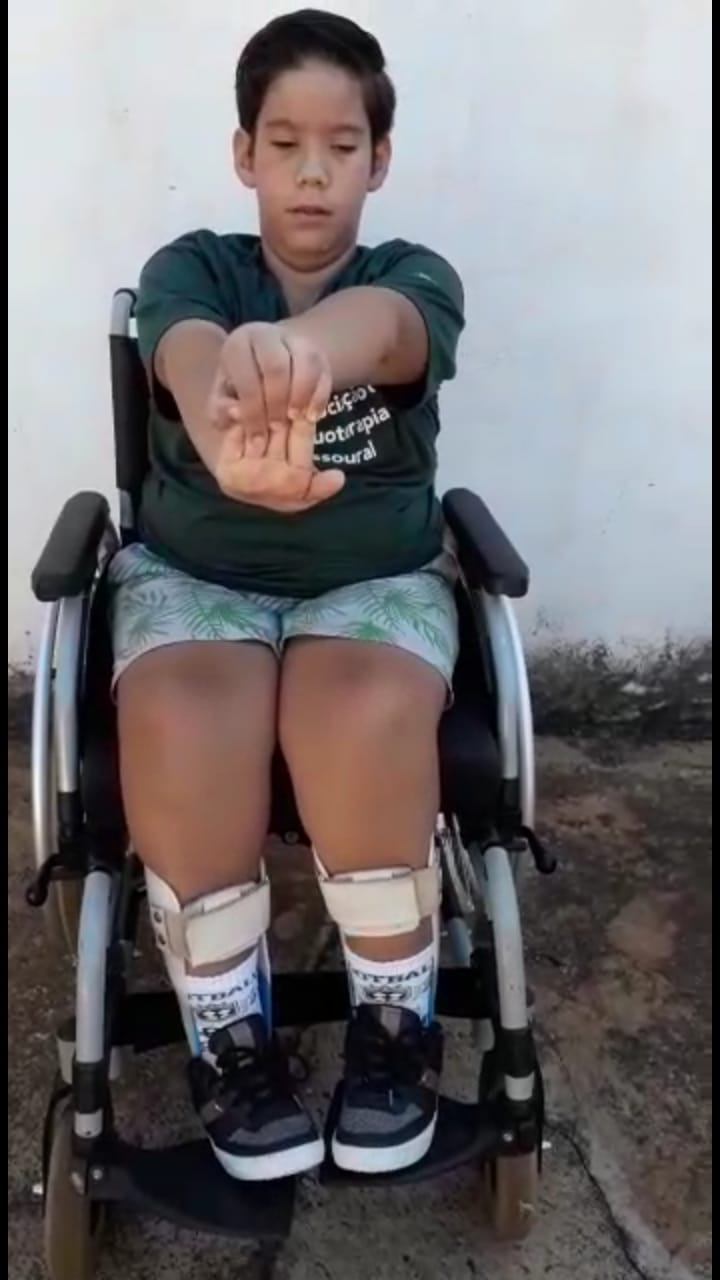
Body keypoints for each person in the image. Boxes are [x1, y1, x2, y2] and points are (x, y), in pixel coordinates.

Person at [110, 7, 465, 1182]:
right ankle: (231, 1036)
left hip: (368, 580)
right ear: (244, 153)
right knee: (182, 713)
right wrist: (229, 413)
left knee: (358, 709)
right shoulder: (191, 270)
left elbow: (388, 332)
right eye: (285, 142)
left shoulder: (412, 278)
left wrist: (308, 352)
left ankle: (394, 1025)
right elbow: (183, 349)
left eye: (342, 145)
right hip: (197, 577)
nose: (313, 171)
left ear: (379, 159)